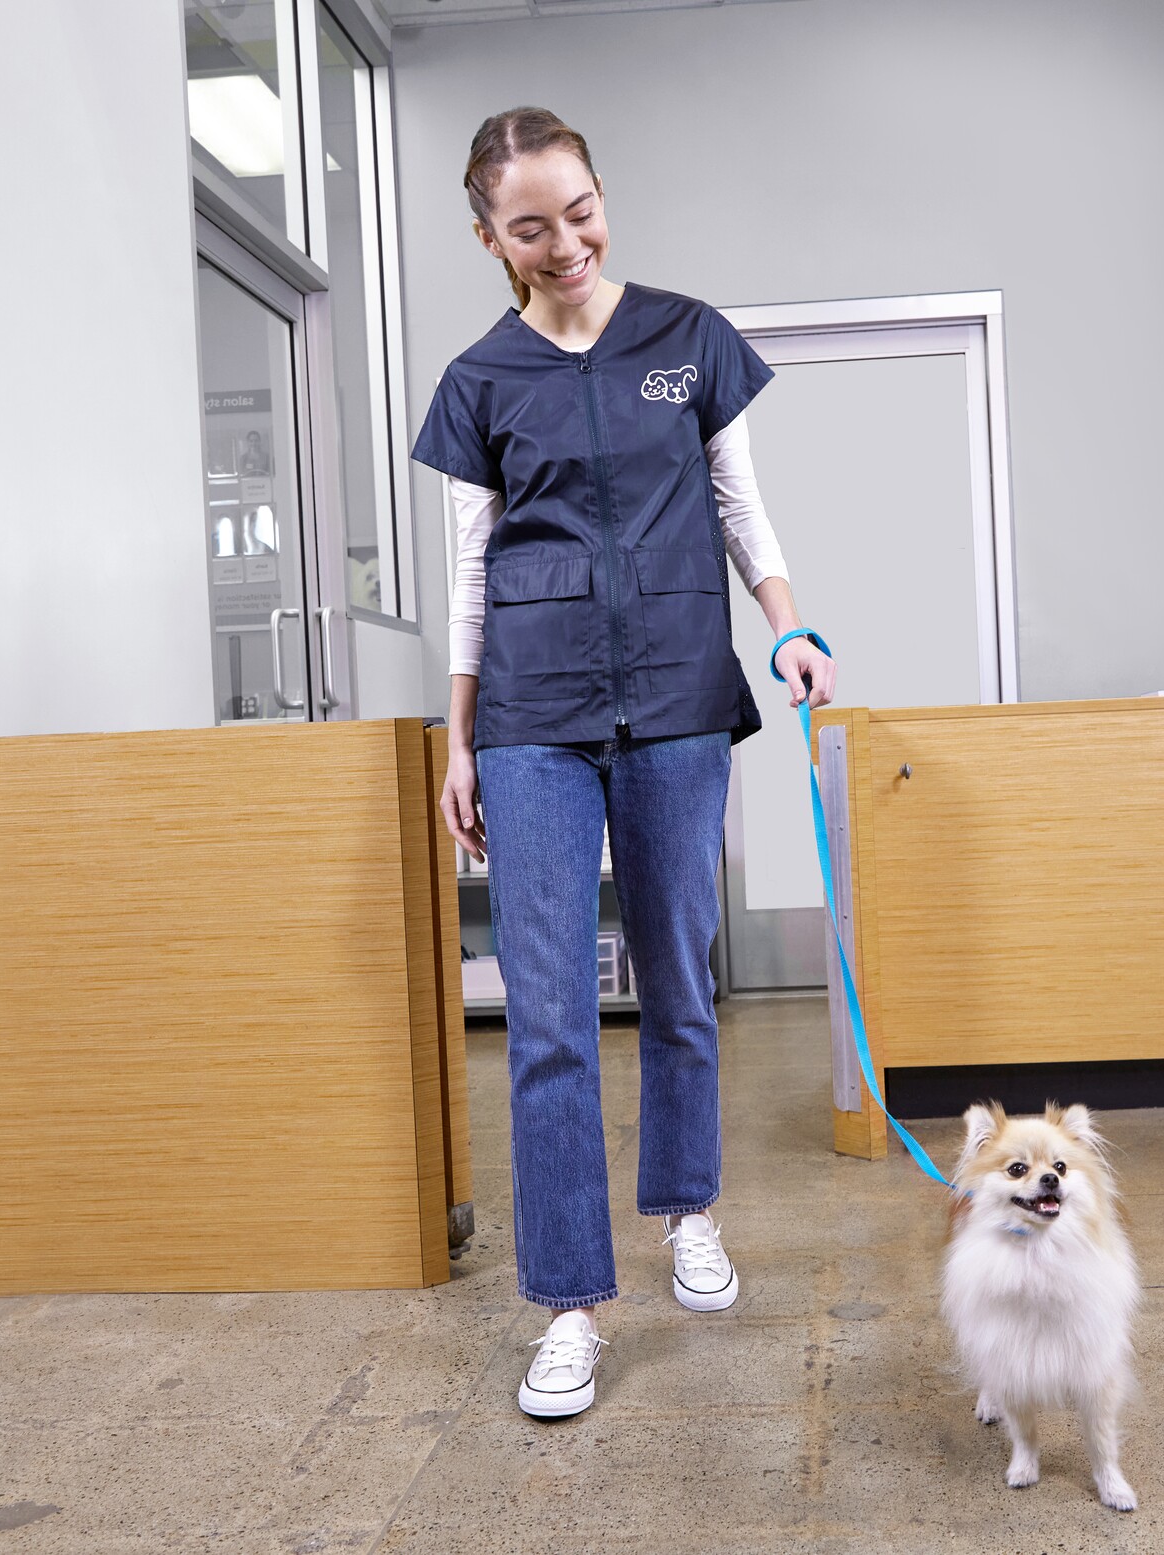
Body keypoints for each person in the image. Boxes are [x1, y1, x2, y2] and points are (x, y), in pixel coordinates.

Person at [411, 106, 836, 1420]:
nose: (566, 242)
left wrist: (789, 622)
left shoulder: (687, 337)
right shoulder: (480, 380)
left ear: (601, 194)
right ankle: (570, 1306)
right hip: (532, 718)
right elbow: (472, 568)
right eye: (530, 226)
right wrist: (460, 734)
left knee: (680, 982)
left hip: (675, 696)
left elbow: (734, 501)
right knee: (546, 1017)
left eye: (580, 210)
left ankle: (687, 1212)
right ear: (490, 236)